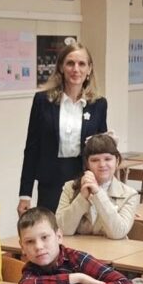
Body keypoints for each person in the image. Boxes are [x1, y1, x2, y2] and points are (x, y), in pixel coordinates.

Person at [18, 41, 108, 216]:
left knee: (81, 228)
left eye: (82, 64)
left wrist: (110, 194)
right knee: (51, 227)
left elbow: (102, 151)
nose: (76, 69)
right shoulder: (43, 101)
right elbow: (32, 149)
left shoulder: (98, 104)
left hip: (83, 179)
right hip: (50, 180)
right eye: (70, 63)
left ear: (89, 69)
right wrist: (25, 194)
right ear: (61, 67)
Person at [56, 133, 139, 239]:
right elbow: (63, 229)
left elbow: (118, 232)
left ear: (117, 161)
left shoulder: (130, 194)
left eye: (108, 159)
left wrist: (98, 193)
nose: (102, 165)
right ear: (87, 164)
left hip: (113, 249)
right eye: (95, 160)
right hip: (78, 248)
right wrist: (82, 198)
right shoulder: (70, 188)